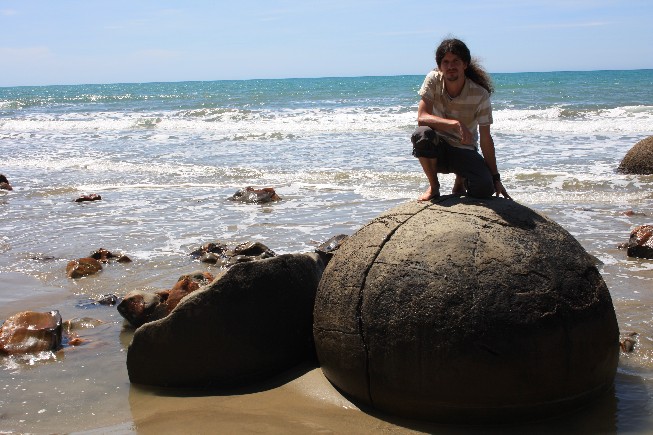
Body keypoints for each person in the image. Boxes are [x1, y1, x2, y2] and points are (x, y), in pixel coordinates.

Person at [411, 38, 510, 200]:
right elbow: (422, 118)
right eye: (446, 62)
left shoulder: (480, 94)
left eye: (456, 61)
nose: (450, 66)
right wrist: (455, 124)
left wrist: (495, 178)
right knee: (422, 134)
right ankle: (434, 186)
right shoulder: (434, 80)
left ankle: (460, 180)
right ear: (440, 66)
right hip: (438, 149)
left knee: (485, 189)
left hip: (464, 149)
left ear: (465, 64)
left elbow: (486, 138)